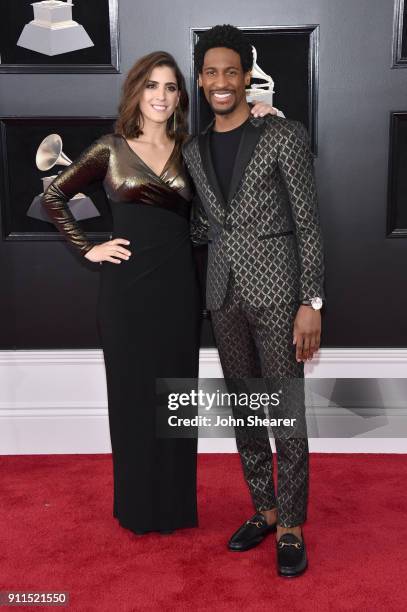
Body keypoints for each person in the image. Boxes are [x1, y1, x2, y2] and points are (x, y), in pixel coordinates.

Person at [42, 51, 278, 535]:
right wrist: (88, 248)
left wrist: (262, 114)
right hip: (125, 294)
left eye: (171, 88)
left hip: (178, 291)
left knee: (175, 399)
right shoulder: (109, 148)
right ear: (136, 91)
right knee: (131, 398)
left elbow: (236, 147)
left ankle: (172, 507)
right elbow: (54, 195)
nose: (161, 96)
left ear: (179, 98)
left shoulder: (193, 148)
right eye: (152, 85)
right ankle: (137, 507)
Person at [183, 25, 325, 576]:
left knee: (286, 411)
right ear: (201, 80)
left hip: (280, 295)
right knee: (246, 411)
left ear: (246, 77)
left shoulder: (283, 134)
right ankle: (263, 509)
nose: (222, 82)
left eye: (231, 72)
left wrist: (311, 301)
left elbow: (309, 223)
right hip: (223, 297)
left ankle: (290, 524)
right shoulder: (193, 150)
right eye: (211, 72)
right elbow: (202, 221)